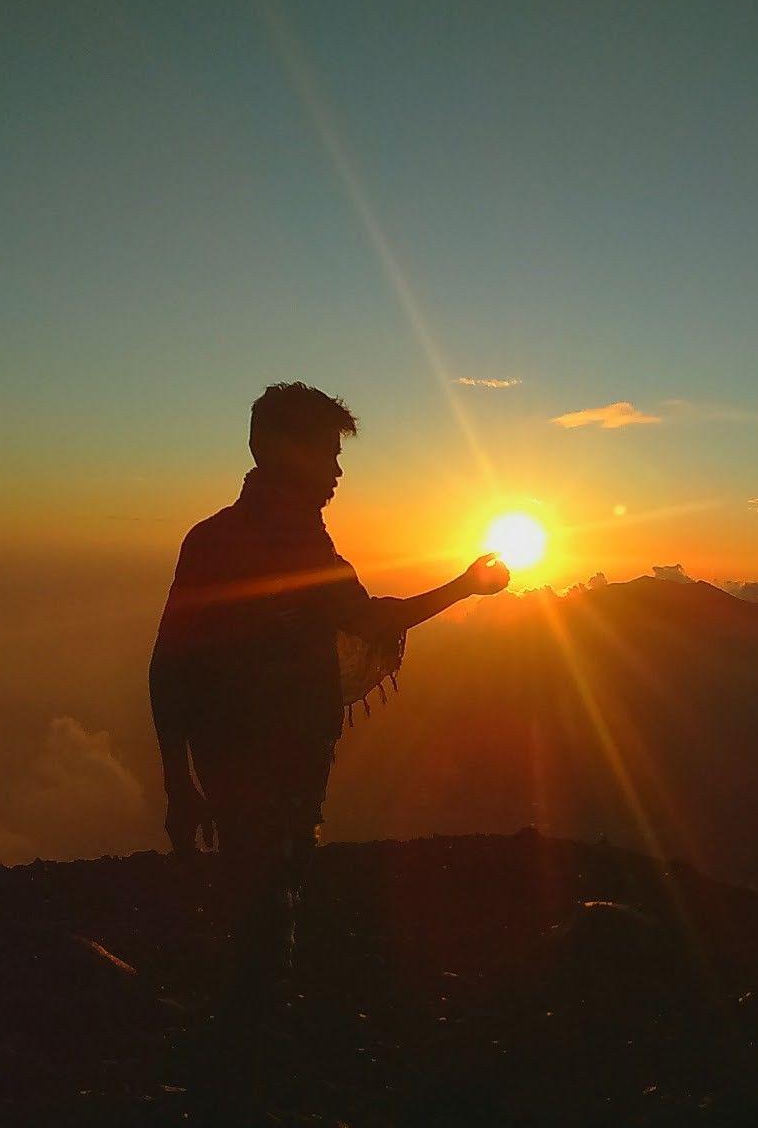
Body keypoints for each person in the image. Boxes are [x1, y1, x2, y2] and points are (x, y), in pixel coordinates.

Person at [149, 381, 508, 1021]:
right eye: (327, 452)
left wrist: (180, 778)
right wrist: (465, 587)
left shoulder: (213, 540)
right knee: (270, 888)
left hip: (234, 752)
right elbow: (372, 622)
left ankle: (248, 1020)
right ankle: (253, 1041)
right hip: (276, 758)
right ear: (284, 452)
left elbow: (170, 663)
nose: (339, 470)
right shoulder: (295, 549)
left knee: (259, 882)